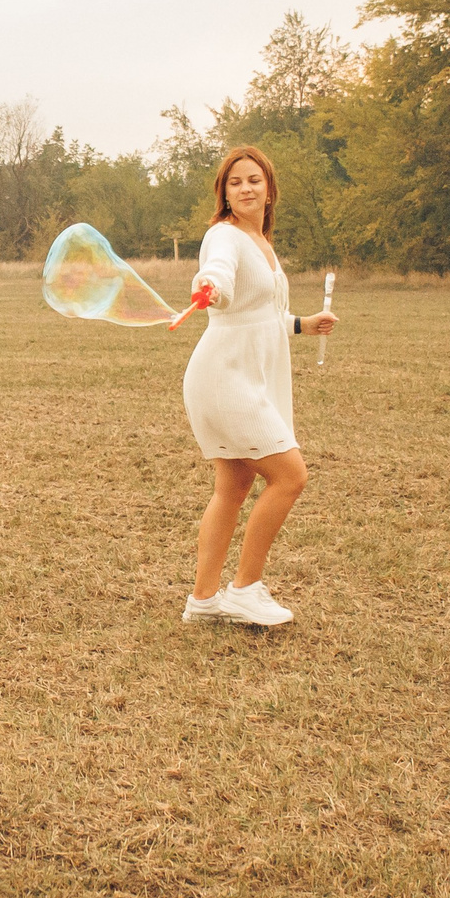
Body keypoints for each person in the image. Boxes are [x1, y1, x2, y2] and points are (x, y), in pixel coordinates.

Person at [181, 146, 336, 626]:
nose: (245, 188)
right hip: (224, 376)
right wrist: (210, 287)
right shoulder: (223, 237)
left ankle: (203, 601)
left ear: (269, 188)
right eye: (234, 182)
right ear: (224, 193)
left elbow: (260, 314)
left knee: (233, 484)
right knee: (290, 476)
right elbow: (219, 278)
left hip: (244, 373)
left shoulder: (260, 241)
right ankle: (245, 589)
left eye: (254, 180)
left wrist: (302, 325)